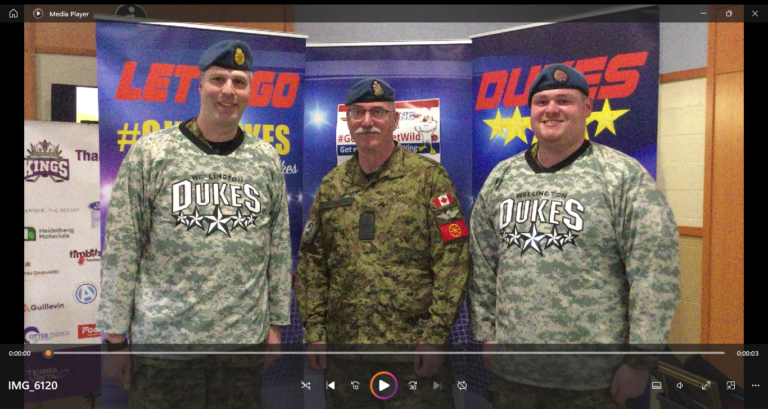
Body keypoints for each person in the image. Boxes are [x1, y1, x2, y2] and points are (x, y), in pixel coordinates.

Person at [469, 64, 680, 408]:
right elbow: (482, 262)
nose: (551, 109)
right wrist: (487, 336)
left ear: (587, 107)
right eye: (541, 102)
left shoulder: (622, 176)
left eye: (564, 100)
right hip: (514, 374)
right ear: (531, 111)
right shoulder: (502, 177)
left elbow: (654, 273)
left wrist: (640, 360)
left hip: (595, 380)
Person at [98, 39, 292, 408]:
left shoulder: (265, 158)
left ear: (250, 90)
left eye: (239, 81)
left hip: (241, 344)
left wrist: (276, 324)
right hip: (165, 346)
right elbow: (123, 248)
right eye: (218, 79)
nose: (228, 91)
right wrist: (115, 339)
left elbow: (279, 247)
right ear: (199, 85)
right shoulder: (153, 152)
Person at [294, 78, 469, 407]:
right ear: (347, 121)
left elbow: (453, 259)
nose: (367, 121)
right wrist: (314, 329)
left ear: (395, 119)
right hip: (346, 356)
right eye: (357, 113)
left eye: (377, 112)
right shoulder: (333, 185)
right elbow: (312, 261)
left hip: (411, 356)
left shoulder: (429, 178)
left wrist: (435, 336)